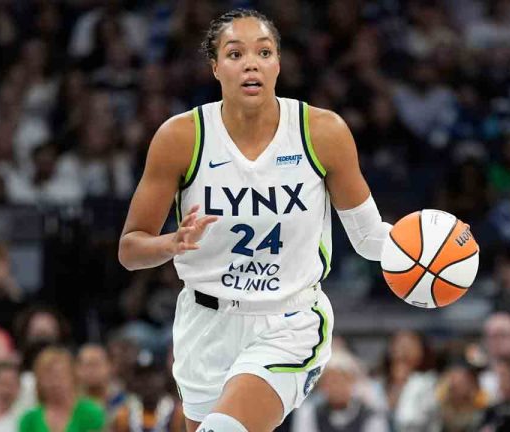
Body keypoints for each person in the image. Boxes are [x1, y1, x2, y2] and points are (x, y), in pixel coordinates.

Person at [118, 8, 392, 432]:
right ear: (215, 67)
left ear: (278, 64)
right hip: (205, 325)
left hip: (288, 322)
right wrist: (171, 242)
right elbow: (130, 249)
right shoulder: (181, 137)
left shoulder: (321, 132)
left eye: (264, 52)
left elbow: (370, 238)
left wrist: (426, 242)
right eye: (235, 53)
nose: (251, 62)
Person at [18, 347, 105, 432]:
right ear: (39, 381)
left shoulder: (91, 412)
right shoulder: (29, 420)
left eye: (60, 375)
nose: (55, 382)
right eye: (48, 377)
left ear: (73, 377)